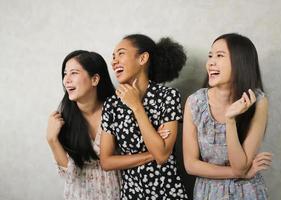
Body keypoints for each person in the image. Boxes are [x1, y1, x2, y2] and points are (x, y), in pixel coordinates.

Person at [183, 33, 272, 200]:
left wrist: (230, 120)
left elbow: (240, 165)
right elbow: (191, 165)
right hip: (207, 193)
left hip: (247, 192)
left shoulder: (259, 101)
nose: (211, 62)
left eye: (219, 55)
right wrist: (240, 173)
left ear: (240, 62)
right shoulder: (194, 102)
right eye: (210, 56)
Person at [100, 34, 189, 199]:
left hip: (167, 193)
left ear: (143, 58)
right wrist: (151, 153)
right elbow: (106, 162)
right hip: (131, 194)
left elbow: (162, 157)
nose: (113, 61)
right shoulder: (111, 104)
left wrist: (136, 106)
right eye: (113, 57)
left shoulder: (168, 96)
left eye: (120, 53)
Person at [46, 50, 120, 200]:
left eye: (73, 73)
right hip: (78, 194)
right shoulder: (62, 117)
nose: (66, 80)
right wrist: (52, 140)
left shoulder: (116, 111)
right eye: (65, 74)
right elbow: (69, 174)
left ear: (95, 79)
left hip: (115, 192)